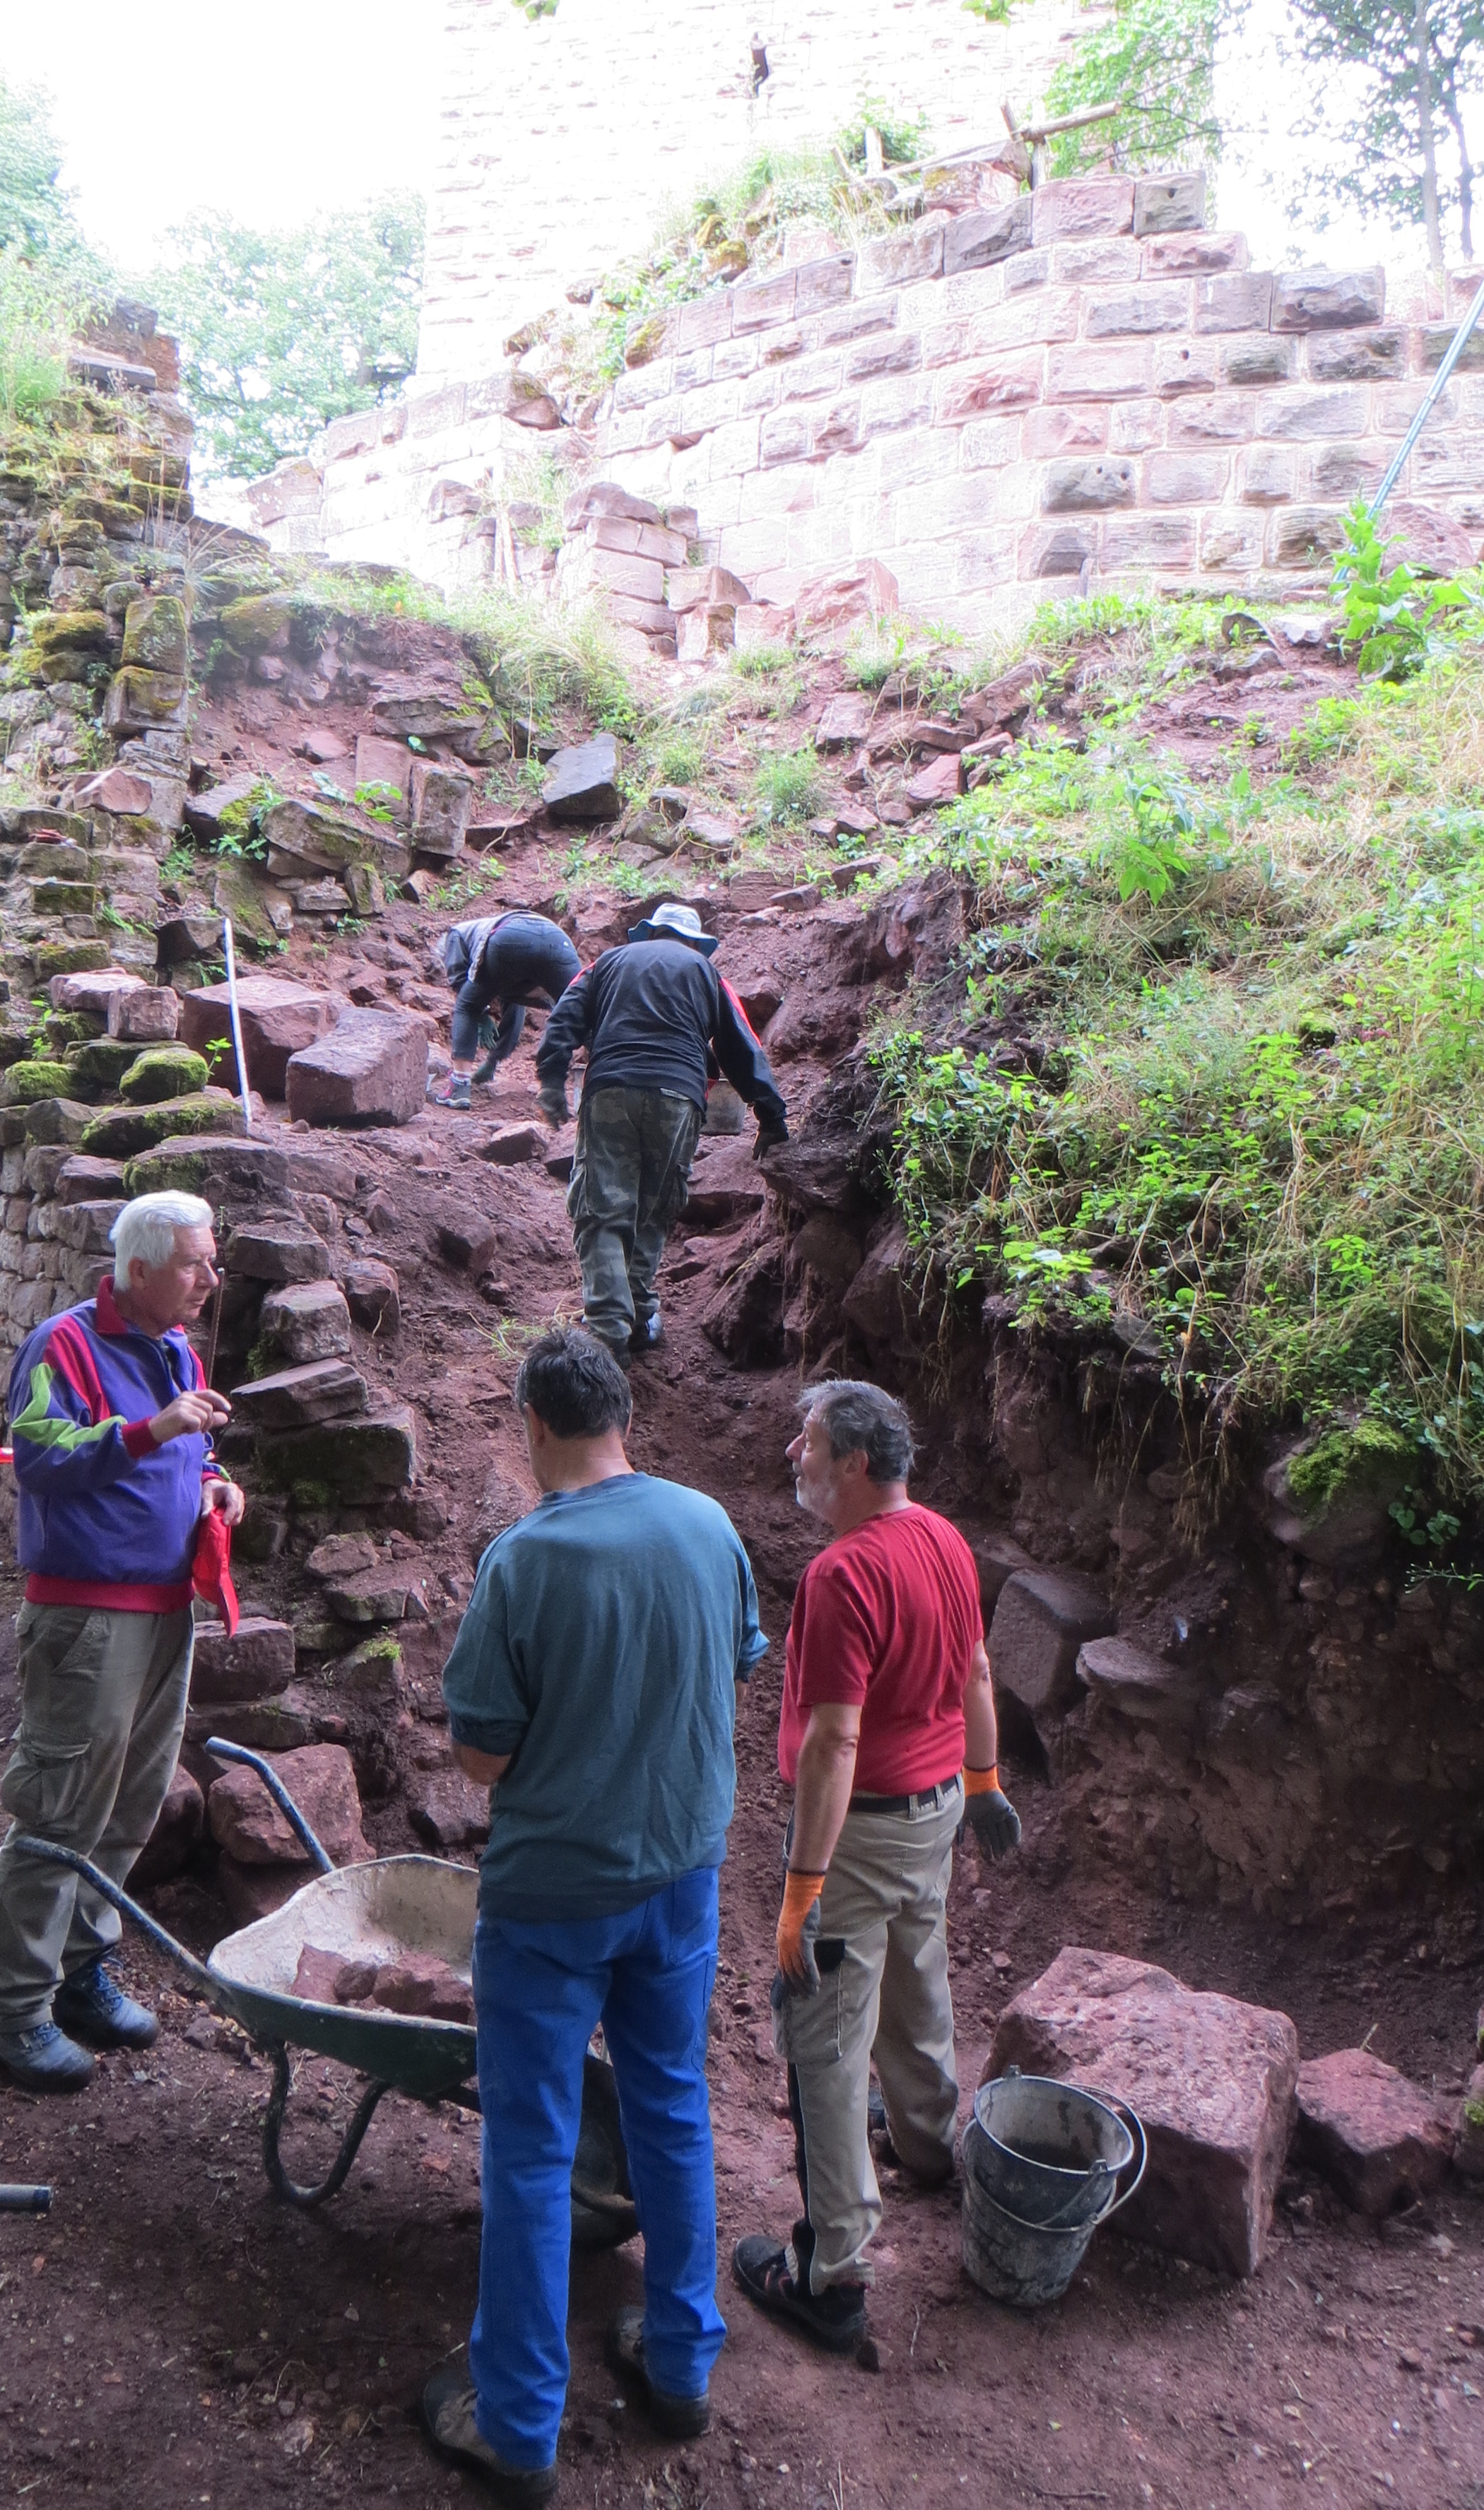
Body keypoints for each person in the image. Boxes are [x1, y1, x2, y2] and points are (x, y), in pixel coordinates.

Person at [424, 1326, 768, 2504]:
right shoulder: (709, 1525)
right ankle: (679, 2365)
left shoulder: (524, 1561)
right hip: (681, 1878)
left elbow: (480, 1756)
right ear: (623, 1415)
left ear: (535, 1425)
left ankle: (519, 2429)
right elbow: (733, 1666)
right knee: (671, 2106)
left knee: (531, 2151)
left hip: (553, 1901)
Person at [733, 1380, 1023, 2353]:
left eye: (808, 1440)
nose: (794, 1453)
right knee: (916, 1968)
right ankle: (931, 2144)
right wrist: (983, 1781)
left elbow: (835, 1742)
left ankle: (832, 2271)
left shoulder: (841, 1575)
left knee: (823, 2035)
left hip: (859, 1829)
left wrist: (802, 1890)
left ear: (855, 1463)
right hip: (936, 1808)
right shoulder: (944, 1537)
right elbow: (977, 1670)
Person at [0, 1191, 243, 2094]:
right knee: (62, 1810)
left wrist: (212, 1481)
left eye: (211, 1261)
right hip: (87, 1618)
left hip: (165, 1610)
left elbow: (184, 1452)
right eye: (196, 1262)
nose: (211, 1278)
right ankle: (9, 2010)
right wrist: (152, 1428)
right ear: (140, 1266)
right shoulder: (65, 1344)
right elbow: (40, 1455)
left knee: (129, 1805)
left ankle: (79, 1972)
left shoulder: (174, 1346)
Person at [533, 899, 787, 1363]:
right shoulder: (707, 973)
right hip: (679, 1097)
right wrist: (771, 1117)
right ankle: (638, 1314)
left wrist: (551, 1081)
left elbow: (563, 1019)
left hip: (611, 1089)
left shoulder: (606, 962)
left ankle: (608, 1329)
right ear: (694, 943)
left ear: (650, 933)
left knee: (602, 1209)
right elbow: (742, 1047)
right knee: (654, 1208)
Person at [440, 909, 581, 1108]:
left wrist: (480, 1014)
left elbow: (459, 982)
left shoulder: (455, 935)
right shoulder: (503, 976)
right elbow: (514, 1005)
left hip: (511, 938)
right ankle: (609, 1081)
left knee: (466, 1006)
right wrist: (493, 1061)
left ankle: (459, 1088)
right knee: (582, 1010)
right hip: (559, 943)